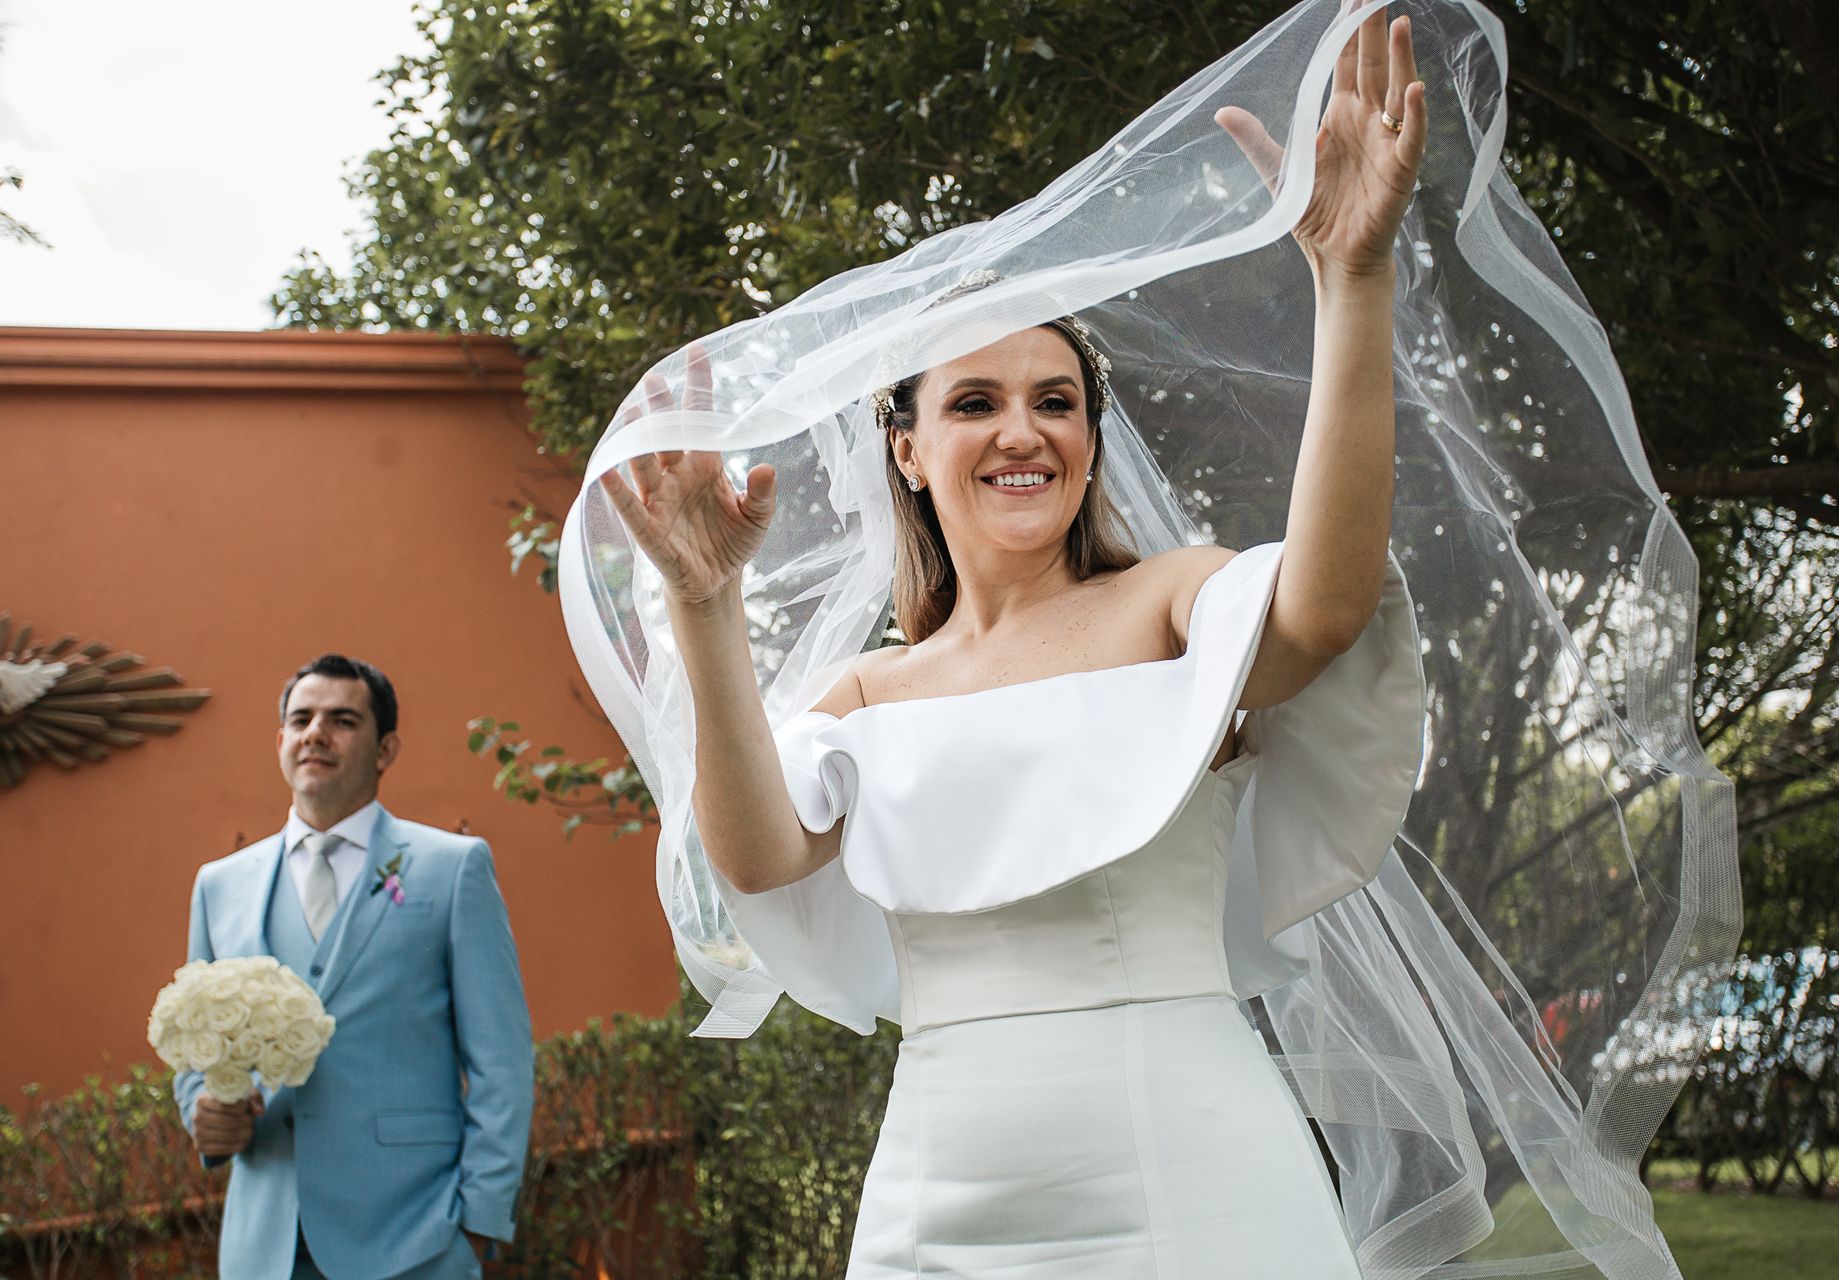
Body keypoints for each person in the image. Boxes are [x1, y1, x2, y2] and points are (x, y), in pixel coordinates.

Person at [562, 0, 1727, 1275]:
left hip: (1192, 1163)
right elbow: (759, 852)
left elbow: (1326, 610)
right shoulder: (865, 692)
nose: (1024, 431)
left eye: (1055, 400)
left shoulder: (1173, 603)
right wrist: (703, 603)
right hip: (935, 1197)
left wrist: (1355, 279)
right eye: (975, 402)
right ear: (907, 446)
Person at [171, 654, 535, 1280]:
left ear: (385, 748)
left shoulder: (452, 869)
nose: (316, 733)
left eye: (342, 720)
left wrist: (478, 1222)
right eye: (300, 719)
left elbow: (501, 1064)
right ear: (281, 741)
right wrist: (203, 1109)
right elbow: (195, 1050)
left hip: (415, 1237)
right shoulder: (219, 886)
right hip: (265, 1245)